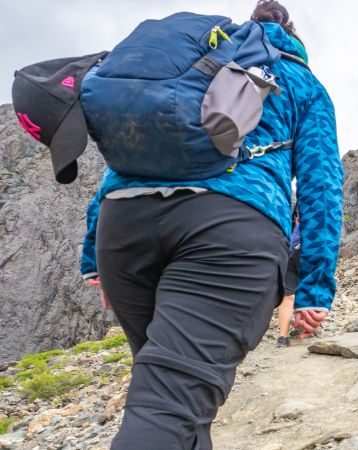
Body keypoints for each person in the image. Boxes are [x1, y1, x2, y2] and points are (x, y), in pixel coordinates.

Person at [80, 2, 343, 448]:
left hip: (124, 226)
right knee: (170, 406)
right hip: (231, 230)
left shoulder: (200, 66)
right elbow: (321, 185)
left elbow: (121, 163)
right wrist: (314, 289)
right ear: (294, 38)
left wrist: (93, 258)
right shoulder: (300, 78)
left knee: (171, 402)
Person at [277, 209, 302, 348]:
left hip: (290, 251)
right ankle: (308, 327)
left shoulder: (289, 205)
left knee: (288, 296)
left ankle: (283, 337)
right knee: (311, 289)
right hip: (308, 252)